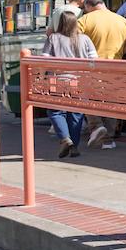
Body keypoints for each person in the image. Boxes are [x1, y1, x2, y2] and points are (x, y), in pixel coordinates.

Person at [77, 0, 126, 149]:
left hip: (92, 67)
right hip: (115, 68)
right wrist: (118, 52)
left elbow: (74, 42)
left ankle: (96, 126)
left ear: (88, 6)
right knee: (112, 101)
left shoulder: (84, 20)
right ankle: (108, 139)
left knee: (88, 98)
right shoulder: (122, 21)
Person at [39, 11, 97, 158]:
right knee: (76, 114)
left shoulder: (53, 38)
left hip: (57, 80)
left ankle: (65, 138)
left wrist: (41, 77)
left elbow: (44, 61)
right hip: (80, 81)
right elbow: (94, 61)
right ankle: (74, 146)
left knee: (55, 111)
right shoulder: (85, 39)